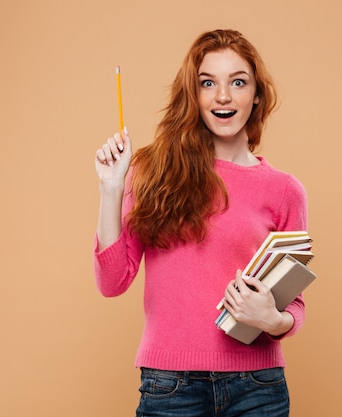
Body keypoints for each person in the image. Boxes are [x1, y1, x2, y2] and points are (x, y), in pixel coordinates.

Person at [93, 29, 308, 417]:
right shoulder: (152, 170)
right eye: (207, 83)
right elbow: (112, 283)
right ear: (194, 95)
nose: (222, 96)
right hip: (170, 386)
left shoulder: (285, 191)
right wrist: (111, 189)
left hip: (258, 387)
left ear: (256, 95)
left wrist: (272, 320)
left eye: (237, 82)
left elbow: (294, 305)